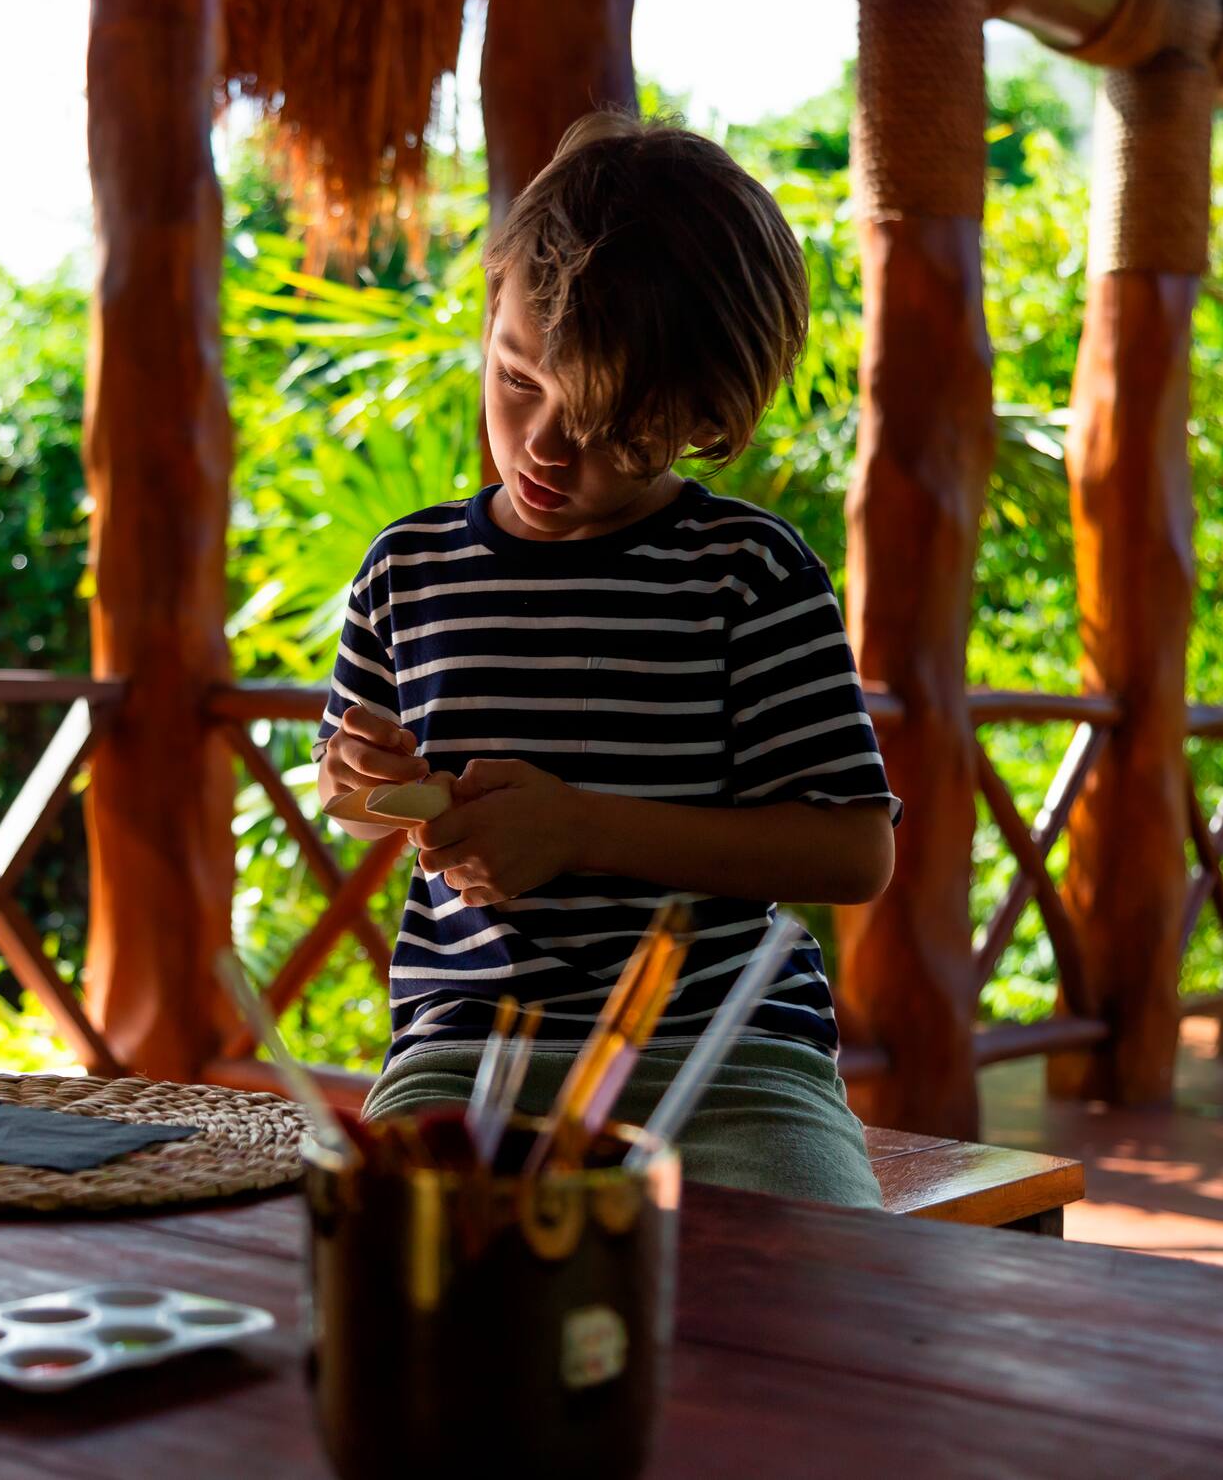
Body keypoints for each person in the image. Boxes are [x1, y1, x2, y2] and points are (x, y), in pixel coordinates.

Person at [312, 111, 898, 1207]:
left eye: (601, 417)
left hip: (722, 1061)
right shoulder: (408, 570)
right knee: (388, 1261)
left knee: (811, 1281)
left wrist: (580, 828)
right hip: (466, 1052)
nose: (542, 445)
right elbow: (348, 800)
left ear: (704, 410)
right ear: (491, 316)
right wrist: (359, 779)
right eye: (515, 379)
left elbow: (851, 851)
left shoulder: (746, 573)